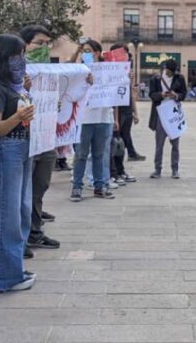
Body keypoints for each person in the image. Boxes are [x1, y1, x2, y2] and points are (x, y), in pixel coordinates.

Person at [0, 34, 37, 292]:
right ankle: (2, 276)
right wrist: (18, 116)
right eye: (17, 55)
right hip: (6, 149)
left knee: (20, 210)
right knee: (6, 213)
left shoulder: (16, 88)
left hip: (23, 148)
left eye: (24, 55)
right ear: (4, 58)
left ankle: (13, 267)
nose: (22, 61)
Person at [19, 25, 61, 250]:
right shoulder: (14, 70)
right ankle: (20, 236)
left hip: (45, 137)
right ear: (25, 44)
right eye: (39, 43)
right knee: (22, 190)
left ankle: (34, 231)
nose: (44, 47)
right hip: (24, 138)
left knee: (39, 187)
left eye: (47, 43)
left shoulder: (49, 71)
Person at [70, 39, 114, 202]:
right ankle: (77, 187)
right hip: (84, 118)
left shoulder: (107, 70)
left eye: (88, 50)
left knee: (99, 154)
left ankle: (99, 186)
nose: (85, 54)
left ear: (96, 52)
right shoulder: (78, 71)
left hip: (103, 117)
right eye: (83, 51)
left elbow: (115, 89)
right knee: (81, 154)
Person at [148, 58, 187, 180]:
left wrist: (175, 95)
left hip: (173, 114)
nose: (170, 73)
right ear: (165, 68)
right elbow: (151, 94)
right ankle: (157, 169)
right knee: (159, 144)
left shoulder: (179, 78)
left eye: (173, 72)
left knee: (175, 144)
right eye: (169, 71)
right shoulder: (156, 78)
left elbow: (183, 93)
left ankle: (175, 170)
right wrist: (161, 95)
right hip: (160, 113)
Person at [110, 44, 145, 161]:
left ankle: (130, 153)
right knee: (117, 136)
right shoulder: (109, 72)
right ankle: (118, 159)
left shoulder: (127, 72)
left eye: (126, 53)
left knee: (126, 133)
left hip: (127, 108)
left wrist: (135, 112)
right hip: (117, 109)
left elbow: (130, 93)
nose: (125, 56)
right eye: (122, 53)